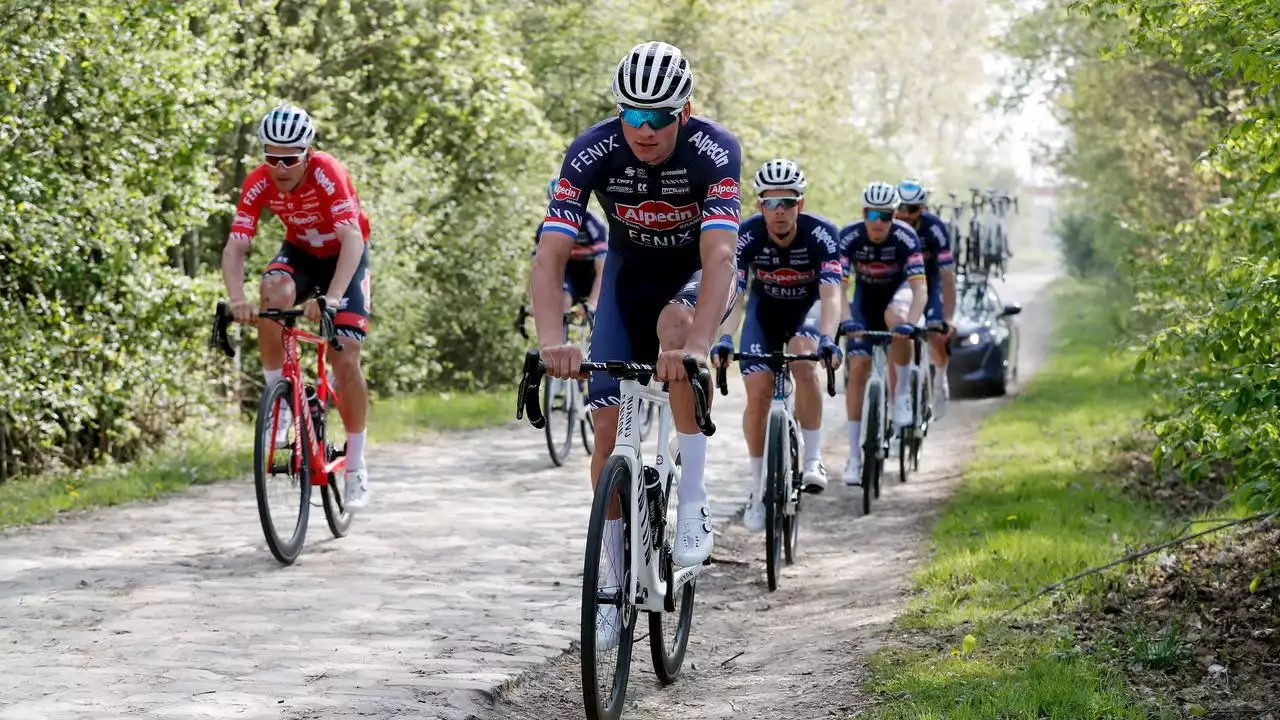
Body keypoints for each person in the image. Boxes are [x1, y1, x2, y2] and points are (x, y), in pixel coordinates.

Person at [531, 41, 741, 582]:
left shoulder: (714, 151)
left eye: (658, 117)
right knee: (606, 434)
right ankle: (614, 577)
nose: (643, 129)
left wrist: (697, 347)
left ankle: (693, 502)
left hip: (693, 277)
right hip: (628, 281)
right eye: (632, 114)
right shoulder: (591, 150)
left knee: (675, 328)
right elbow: (551, 254)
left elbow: (720, 254)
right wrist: (552, 340)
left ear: (685, 113)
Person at [221, 104, 374, 511]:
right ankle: (281, 399)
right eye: (271, 156)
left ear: (307, 152)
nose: (280, 166)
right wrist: (238, 301)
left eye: (290, 158)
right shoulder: (259, 182)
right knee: (271, 292)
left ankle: (356, 465)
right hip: (302, 255)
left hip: (345, 257)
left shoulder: (327, 172)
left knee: (345, 356)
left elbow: (353, 239)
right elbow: (236, 247)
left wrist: (334, 299)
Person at [710, 159, 842, 532]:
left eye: (787, 202)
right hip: (763, 317)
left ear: (800, 204)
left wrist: (829, 339)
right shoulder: (746, 235)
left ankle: (813, 458)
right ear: (759, 205)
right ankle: (757, 487)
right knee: (758, 394)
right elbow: (733, 297)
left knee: (804, 361)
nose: (779, 210)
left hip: (806, 314)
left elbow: (831, 296)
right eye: (771, 202)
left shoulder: (821, 234)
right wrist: (723, 337)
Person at [837, 181, 927, 486]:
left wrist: (912, 324)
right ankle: (853, 455)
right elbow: (837, 286)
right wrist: (847, 320)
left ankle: (900, 394)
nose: (878, 223)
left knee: (898, 318)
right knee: (859, 367)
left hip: (897, 295)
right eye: (872, 215)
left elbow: (919, 288)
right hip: (864, 301)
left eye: (885, 216)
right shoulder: (850, 236)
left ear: (894, 216)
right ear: (863, 214)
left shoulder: (906, 236)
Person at [895, 178, 956, 418]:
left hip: (930, 284)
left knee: (936, 333)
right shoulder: (888, 224)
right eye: (900, 207)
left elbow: (948, 277)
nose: (904, 214)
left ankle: (940, 381)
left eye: (911, 210)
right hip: (899, 285)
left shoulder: (934, 228)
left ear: (922, 209)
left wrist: (948, 317)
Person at [530, 179, 607, 314]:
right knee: (562, 299)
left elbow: (602, 268)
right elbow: (537, 266)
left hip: (591, 274)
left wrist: (592, 303)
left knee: (605, 261)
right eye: (559, 206)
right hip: (568, 272)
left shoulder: (594, 224)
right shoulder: (545, 227)